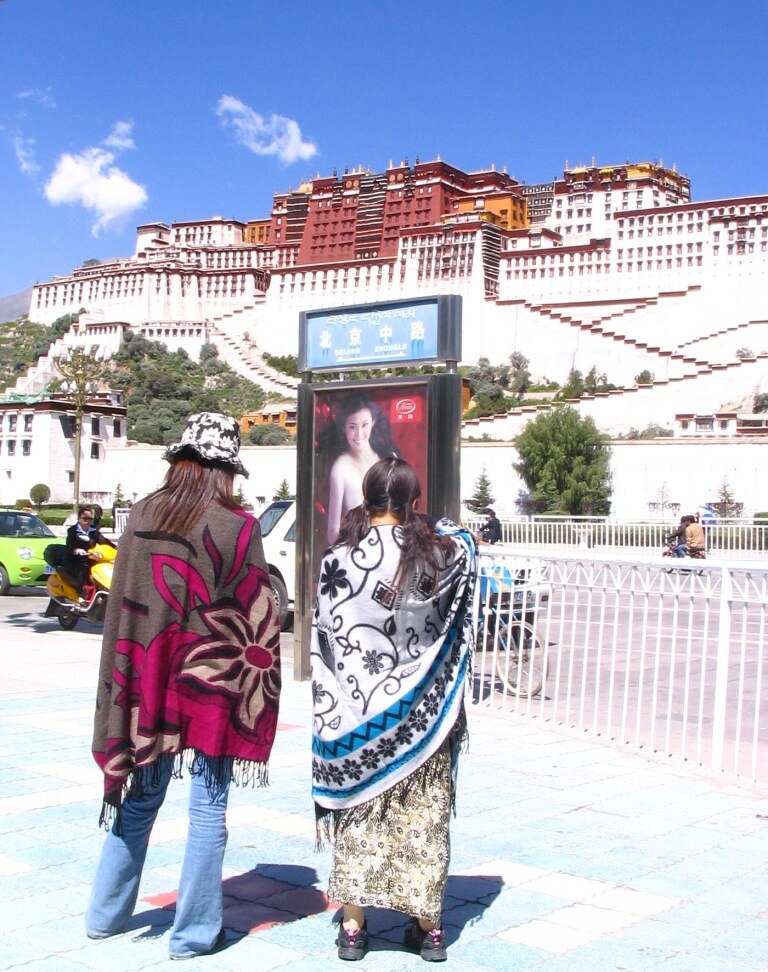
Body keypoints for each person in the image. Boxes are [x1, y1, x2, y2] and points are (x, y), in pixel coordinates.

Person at [85, 412, 282, 960]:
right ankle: (194, 935)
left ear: (180, 459)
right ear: (226, 470)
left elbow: (128, 604)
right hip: (210, 684)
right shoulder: (238, 526)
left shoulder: (143, 514)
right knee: (208, 806)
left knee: (142, 796)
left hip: (147, 674)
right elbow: (258, 610)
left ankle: (105, 915)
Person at [311, 458, 477, 963]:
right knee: (424, 818)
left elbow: (328, 639)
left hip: (359, 716)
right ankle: (428, 929)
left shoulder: (338, 558)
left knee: (360, 814)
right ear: (413, 501)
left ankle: (355, 929)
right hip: (424, 713)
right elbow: (468, 550)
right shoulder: (437, 556)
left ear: (366, 497)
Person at [326, 394, 402, 544]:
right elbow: (332, 531)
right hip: (358, 551)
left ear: (373, 422)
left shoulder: (389, 458)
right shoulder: (340, 467)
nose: (359, 434)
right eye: (352, 427)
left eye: (365, 425)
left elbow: (402, 512)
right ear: (343, 427)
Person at [63, 505, 113, 594]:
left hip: (91, 559)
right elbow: (69, 545)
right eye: (85, 518)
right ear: (79, 518)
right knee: (82, 573)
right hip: (77, 560)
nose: (87, 521)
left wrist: (116, 548)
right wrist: (76, 550)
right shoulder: (73, 531)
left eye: (90, 519)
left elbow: (104, 541)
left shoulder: (93, 531)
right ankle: (79, 597)